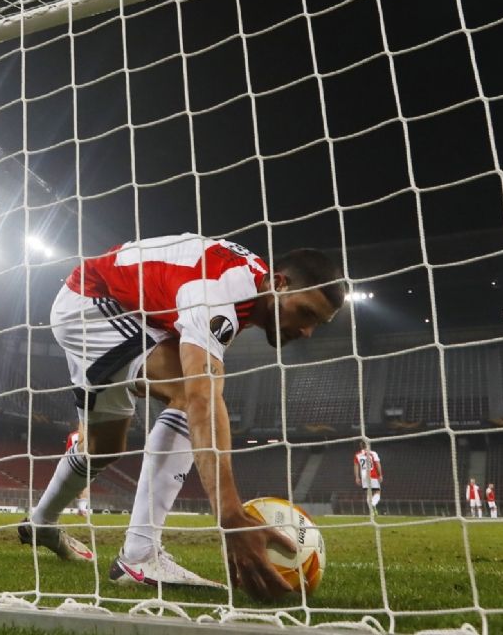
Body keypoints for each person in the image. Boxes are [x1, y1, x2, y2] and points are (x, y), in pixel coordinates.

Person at [18, 233, 346, 600]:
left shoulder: (246, 288)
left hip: (121, 305)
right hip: (95, 304)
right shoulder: (220, 293)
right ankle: (139, 556)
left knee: (103, 447)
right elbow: (201, 399)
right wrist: (231, 516)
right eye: (306, 313)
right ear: (279, 283)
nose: (307, 331)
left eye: (318, 323)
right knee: (189, 395)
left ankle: (41, 522)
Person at [353, 440, 383, 515]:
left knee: (369, 494)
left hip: (364, 477)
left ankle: (372, 511)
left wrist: (357, 477)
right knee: (377, 492)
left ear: (361, 446)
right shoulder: (373, 453)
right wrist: (380, 475)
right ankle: (373, 504)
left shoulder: (357, 455)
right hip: (373, 475)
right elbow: (378, 464)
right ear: (368, 445)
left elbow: (356, 466)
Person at [64, 430, 90, 516]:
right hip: (85, 462)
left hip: (73, 462)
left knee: (78, 487)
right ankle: (82, 509)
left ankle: (81, 509)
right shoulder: (91, 434)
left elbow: (68, 451)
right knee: (84, 485)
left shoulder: (72, 435)